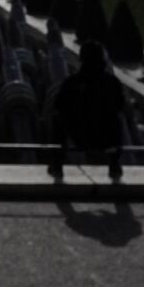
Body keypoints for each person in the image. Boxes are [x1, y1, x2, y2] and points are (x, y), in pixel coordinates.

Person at [49, 37, 125, 182]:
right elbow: (120, 106)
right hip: (106, 138)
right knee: (116, 118)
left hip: (79, 136)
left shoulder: (72, 82)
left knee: (57, 119)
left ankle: (57, 163)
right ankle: (114, 164)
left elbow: (59, 106)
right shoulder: (112, 82)